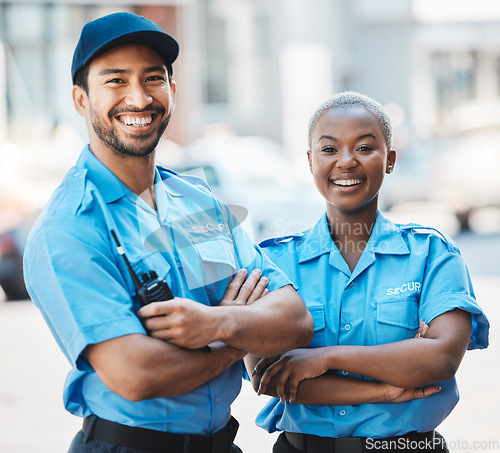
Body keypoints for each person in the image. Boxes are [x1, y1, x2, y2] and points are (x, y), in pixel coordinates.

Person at [22, 12, 313, 453]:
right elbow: (137, 374)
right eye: (115, 81)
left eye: (152, 78)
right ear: (81, 99)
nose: (139, 98)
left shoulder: (196, 201)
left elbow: (294, 319)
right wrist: (234, 340)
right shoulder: (72, 226)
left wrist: (214, 323)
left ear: (172, 91)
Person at [244, 92, 490, 453]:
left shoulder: (432, 254)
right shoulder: (274, 262)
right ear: (310, 161)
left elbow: (440, 359)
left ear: (389, 160)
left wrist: (323, 358)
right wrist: (386, 387)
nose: (346, 162)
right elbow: (267, 376)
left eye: (364, 147)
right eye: (329, 150)